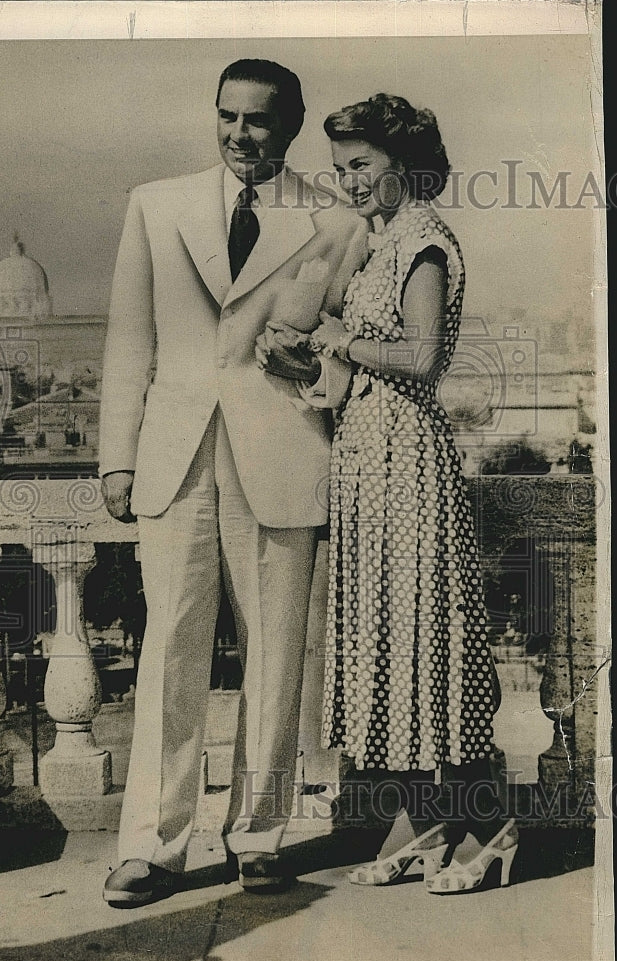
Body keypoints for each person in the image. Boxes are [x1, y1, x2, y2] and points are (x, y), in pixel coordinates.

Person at [98, 59, 367, 906]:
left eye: (257, 121)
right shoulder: (156, 202)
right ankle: (151, 846)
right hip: (175, 456)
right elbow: (128, 342)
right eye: (226, 117)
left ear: (289, 127)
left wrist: (321, 362)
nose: (238, 135)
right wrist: (117, 456)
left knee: (276, 653)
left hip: (282, 450)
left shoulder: (336, 220)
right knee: (169, 649)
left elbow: (352, 343)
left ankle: (258, 836)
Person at [258, 94, 518, 895]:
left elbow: (421, 359)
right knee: (387, 647)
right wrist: (306, 362)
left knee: (430, 646)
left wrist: (337, 337)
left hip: (409, 464)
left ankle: (493, 827)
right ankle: (424, 823)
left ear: (403, 166)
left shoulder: (425, 243)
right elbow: (367, 366)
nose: (350, 182)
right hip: (367, 462)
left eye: (362, 167)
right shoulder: (379, 245)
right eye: (340, 170)